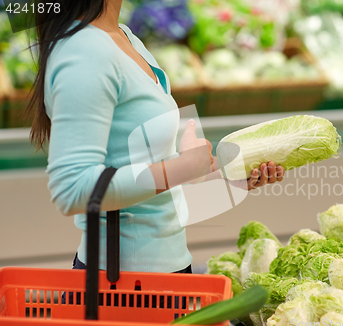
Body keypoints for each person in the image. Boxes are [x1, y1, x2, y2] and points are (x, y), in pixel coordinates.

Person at [26, 0, 285, 278]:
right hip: (121, 286)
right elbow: (72, 190)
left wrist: (232, 181)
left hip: (166, 273)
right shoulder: (86, 52)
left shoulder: (125, 37)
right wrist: (183, 167)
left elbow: (154, 200)